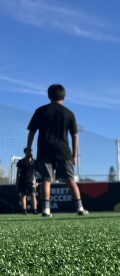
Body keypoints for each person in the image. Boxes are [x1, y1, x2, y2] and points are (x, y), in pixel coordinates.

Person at [25, 84, 88, 217]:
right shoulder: (69, 113)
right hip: (63, 151)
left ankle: (46, 210)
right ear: (64, 96)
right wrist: (74, 155)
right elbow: (75, 136)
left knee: (46, 180)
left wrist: (29, 149)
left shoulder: (40, 110)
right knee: (70, 180)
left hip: (44, 150)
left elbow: (32, 132)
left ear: (49, 96)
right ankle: (80, 208)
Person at [16, 148, 38, 215]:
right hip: (23, 180)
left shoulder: (34, 162)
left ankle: (35, 210)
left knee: (33, 195)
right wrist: (17, 181)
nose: (29, 152)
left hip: (32, 181)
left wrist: (37, 181)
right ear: (25, 152)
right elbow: (18, 172)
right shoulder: (21, 162)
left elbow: (37, 172)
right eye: (28, 151)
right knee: (23, 195)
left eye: (30, 151)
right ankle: (24, 210)